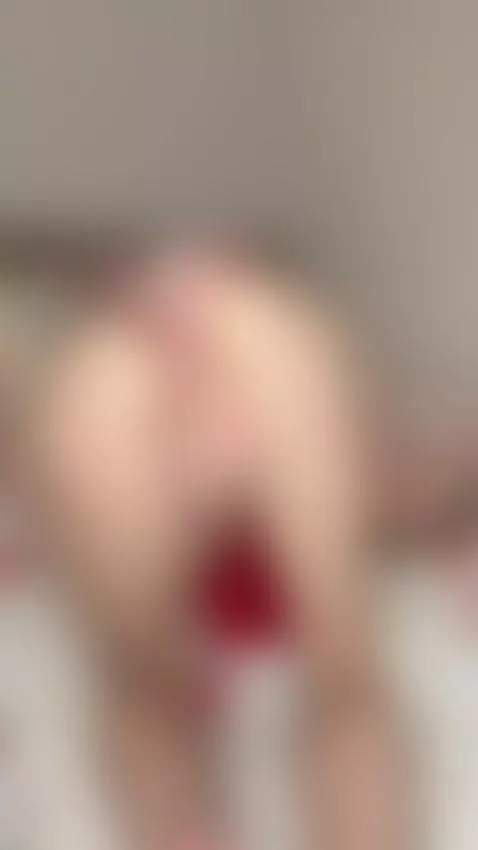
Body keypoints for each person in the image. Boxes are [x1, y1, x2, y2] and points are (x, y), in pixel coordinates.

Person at [1, 246, 400, 849]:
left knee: (337, 674)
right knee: (154, 687)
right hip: (116, 339)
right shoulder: (106, 383)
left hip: (230, 311)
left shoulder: (262, 343)